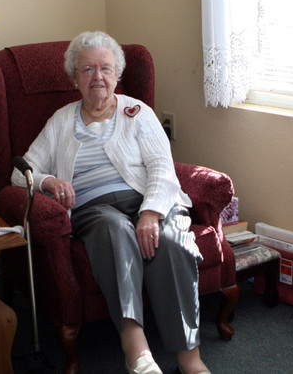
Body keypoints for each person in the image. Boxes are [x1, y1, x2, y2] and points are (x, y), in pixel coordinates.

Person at [11, 31, 210, 374]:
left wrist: (150, 213)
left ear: (117, 74)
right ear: (74, 77)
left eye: (105, 68)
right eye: (87, 69)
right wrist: (49, 181)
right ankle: (136, 350)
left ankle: (189, 358)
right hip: (95, 210)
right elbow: (20, 174)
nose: (97, 77)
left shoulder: (138, 112)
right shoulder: (61, 120)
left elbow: (162, 167)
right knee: (115, 229)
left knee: (172, 240)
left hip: (150, 200)